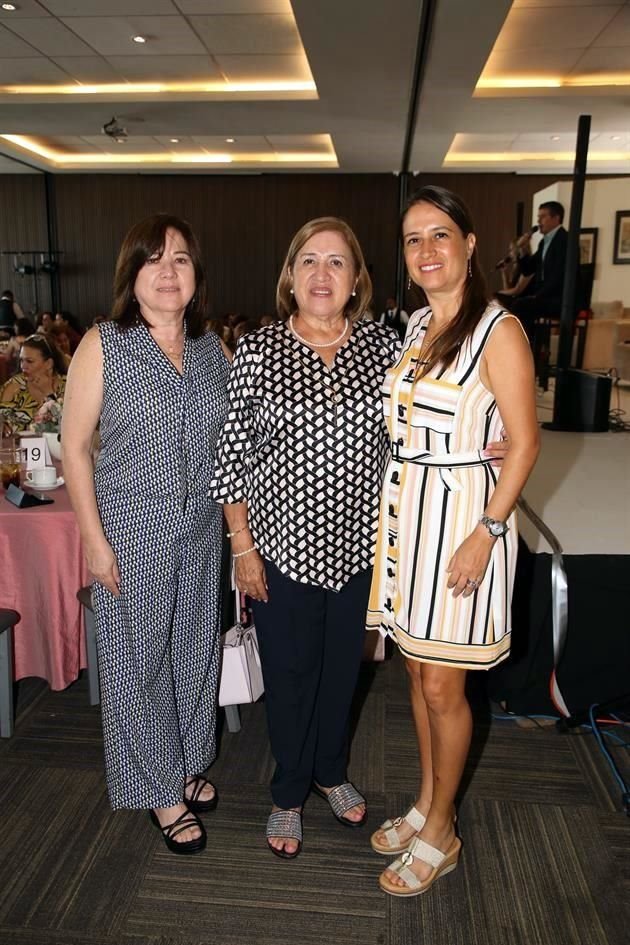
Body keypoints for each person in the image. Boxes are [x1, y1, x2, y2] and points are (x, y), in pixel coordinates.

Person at [209, 217, 402, 859]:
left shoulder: (383, 346)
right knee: (290, 675)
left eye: (338, 263)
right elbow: (232, 454)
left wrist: (488, 441)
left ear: (356, 280)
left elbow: (414, 432)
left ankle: (330, 770)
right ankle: (288, 791)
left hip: (359, 550)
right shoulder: (261, 349)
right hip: (280, 549)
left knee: (343, 672)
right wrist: (242, 547)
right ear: (290, 276)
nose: (323, 274)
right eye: (309, 261)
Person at [367, 185, 539, 898]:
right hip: (411, 515)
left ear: (470, 245)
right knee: (415, 674)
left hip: (467, 522)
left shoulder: (498, 330)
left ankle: (443, 830)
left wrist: (487, 532)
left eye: (441, 235)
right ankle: (426, 799)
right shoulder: (414, 325)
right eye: (413, 239)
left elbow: (525, 442)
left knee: (445, 683)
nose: (427, 250)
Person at [61, 214, 231, 856]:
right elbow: (74, 449)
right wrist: (92, 539)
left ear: (195, 277)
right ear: (131, 276)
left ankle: (185, 761)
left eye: (181, 260)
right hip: (132, 529)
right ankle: (160, 791)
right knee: (137, 664)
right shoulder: (104, 344)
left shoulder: (215, 352)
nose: (167, 271)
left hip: (200, 531)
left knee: (193, 654)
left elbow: (233, 443)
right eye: (153, 259)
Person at [496, 201, 567, 341]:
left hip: (559, 299)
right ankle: (512, 344)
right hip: (545, 296)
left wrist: (538, 295)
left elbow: (559, 276)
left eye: (543, 217)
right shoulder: (544, 243)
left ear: (556, 218)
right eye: (538, 217)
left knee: (521, 305)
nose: (538, 221)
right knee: (505, 303)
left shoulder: (564, 240)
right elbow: (528, 269)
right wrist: (521, 249)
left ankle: (520, 347)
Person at [0, 333, 66, 434]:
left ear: (48, 364)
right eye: (21, 360)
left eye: (29, 361)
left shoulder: (68, 385)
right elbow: (2, 420)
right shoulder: (15, 385)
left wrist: (49, 393)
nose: (23, 366)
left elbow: (70, 424)